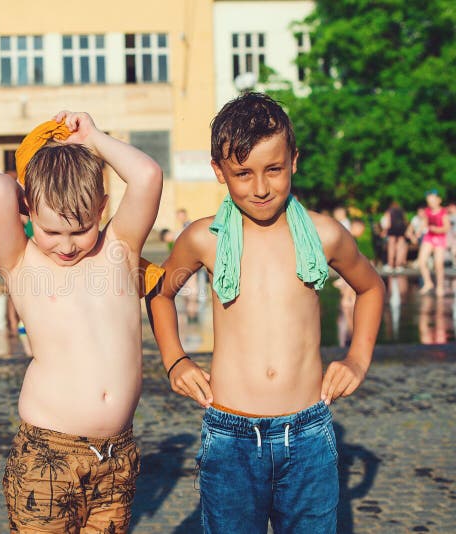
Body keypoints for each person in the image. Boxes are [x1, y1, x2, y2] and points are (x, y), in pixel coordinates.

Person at [148, 93, 385, 533]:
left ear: (294, 161)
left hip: (309, 432)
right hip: (230, 435)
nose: (260, 188)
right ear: (219, 172)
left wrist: (357, 358)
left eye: (273, 170)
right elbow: (159, 295)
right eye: (243, 174)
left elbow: (371, 287)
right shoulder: (204, 239)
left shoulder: (324, 234)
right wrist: (174, 359)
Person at [0, 110, 162, 533]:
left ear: (101, 209)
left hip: (116, 457)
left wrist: (94, 138)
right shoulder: (22, 262)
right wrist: (45, 151)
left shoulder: (119, 249)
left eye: (79, 230)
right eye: (51, 230)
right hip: (47, 452)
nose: (65, 245)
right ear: (27, 210)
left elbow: (148, 176)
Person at [418, 189, 450, 296]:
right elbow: (425, 223)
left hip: (440, 237)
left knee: (438, 264)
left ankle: (440, 286)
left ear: (438, 200)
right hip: (429, 237)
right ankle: (428, 282)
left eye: (432, 200)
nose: (430, 203)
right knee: (422, 261)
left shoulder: (443, 212)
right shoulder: (427, 211)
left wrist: (437, 229)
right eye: (429, 201)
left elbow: (447, 227)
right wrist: (418, 231)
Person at [380, 201, 408, 272]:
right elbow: (405, 221)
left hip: (392, 230)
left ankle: (390, 265)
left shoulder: (389, 211)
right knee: (400, 247)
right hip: (401, 229)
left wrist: (384, 231)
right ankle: (399, 265)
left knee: (391, 247)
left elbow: (388, 223)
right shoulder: (402, 211)